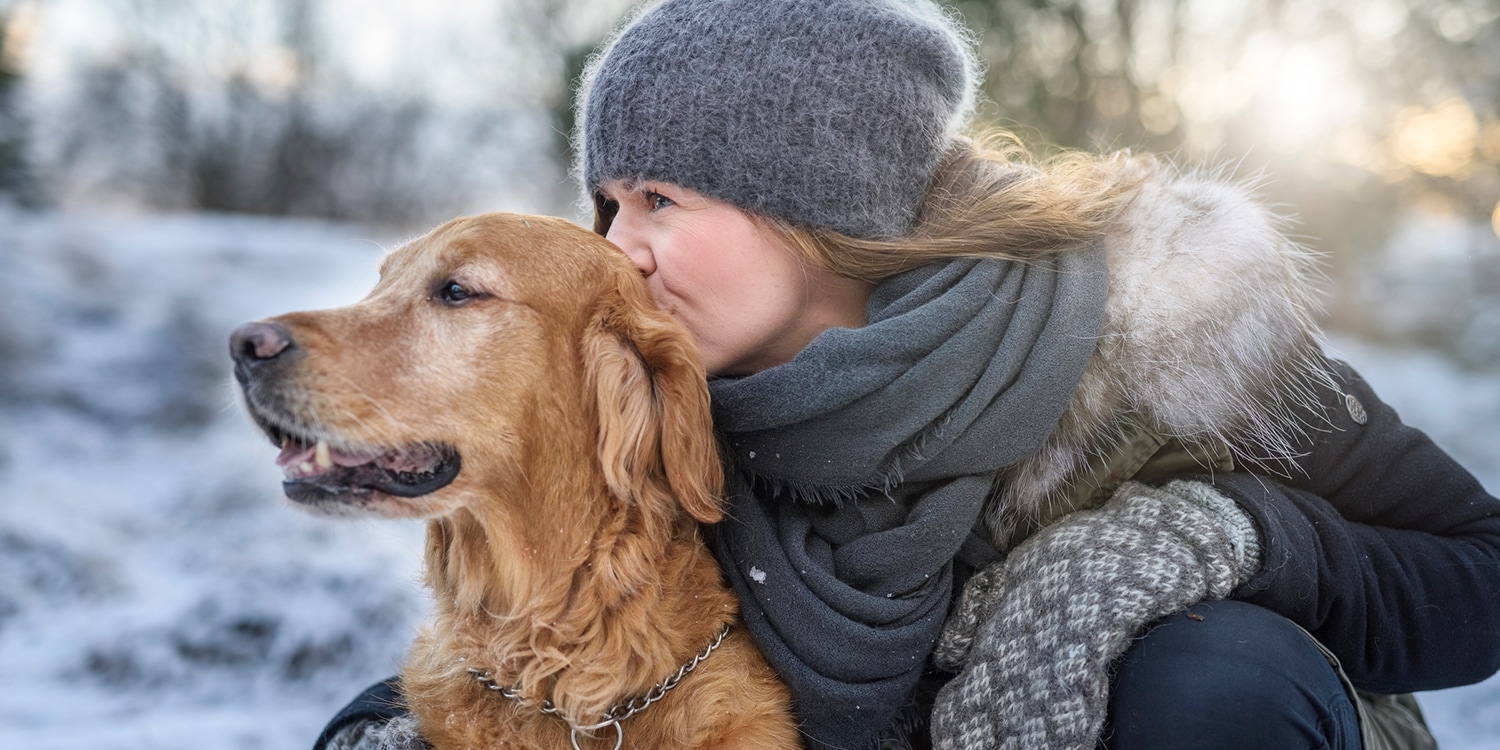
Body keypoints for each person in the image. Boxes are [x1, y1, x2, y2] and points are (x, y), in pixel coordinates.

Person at [315, 1, 1500, 749]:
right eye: (609, 201)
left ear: (813, 208)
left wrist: (1210, 537)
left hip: (1252, 719)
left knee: (1207, 674)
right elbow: (577, 639)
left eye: (662, 200)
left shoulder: (1159, 333)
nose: (617, 245)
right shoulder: (660, 400)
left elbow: (1478, 577)